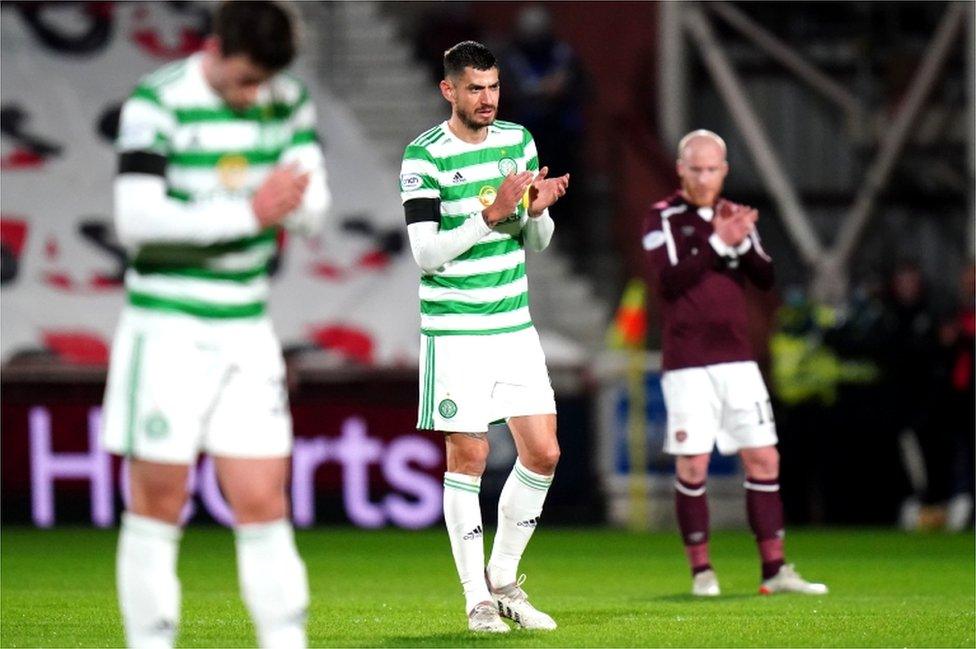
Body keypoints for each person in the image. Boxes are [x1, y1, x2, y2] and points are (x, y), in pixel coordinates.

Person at [101, 2, 330, 647]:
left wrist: (299, 202)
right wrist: (251, 210)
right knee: (159, 503)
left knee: (263, 500)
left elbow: (313, 208)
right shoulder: (156, 103)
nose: (254, 94)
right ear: (214, 47)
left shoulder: (287, 99)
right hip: (166, 326)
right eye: (244, 79)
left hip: (245, 326)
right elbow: (137, 220)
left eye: (263, 81)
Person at [399, 41, 569, 633]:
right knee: (468, 457)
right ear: (450, 90)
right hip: (455, 330)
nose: (488, 99)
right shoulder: (423, 157)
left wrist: (538, 211)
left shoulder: (518, 142)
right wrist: (489, 215)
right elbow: (425, 254)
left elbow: (536, 242)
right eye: (475, 88)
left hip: (513, 325)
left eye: (494, 87)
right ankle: (476, 600)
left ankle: (504, 580)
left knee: (544, 451)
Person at [642, 129, 826, 597]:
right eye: (696, 168)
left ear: (724, 170)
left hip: (738, 361)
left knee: (764, 458)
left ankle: (775, 570)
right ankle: (702, 572)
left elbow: (765, 277)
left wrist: (741, 241)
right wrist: (720, 244)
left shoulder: (733, 216)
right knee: (693, 466)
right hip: (687, 363)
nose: (704, 177)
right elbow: (668, 281)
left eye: (712, 169)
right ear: (681, 169)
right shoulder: (662, 217)